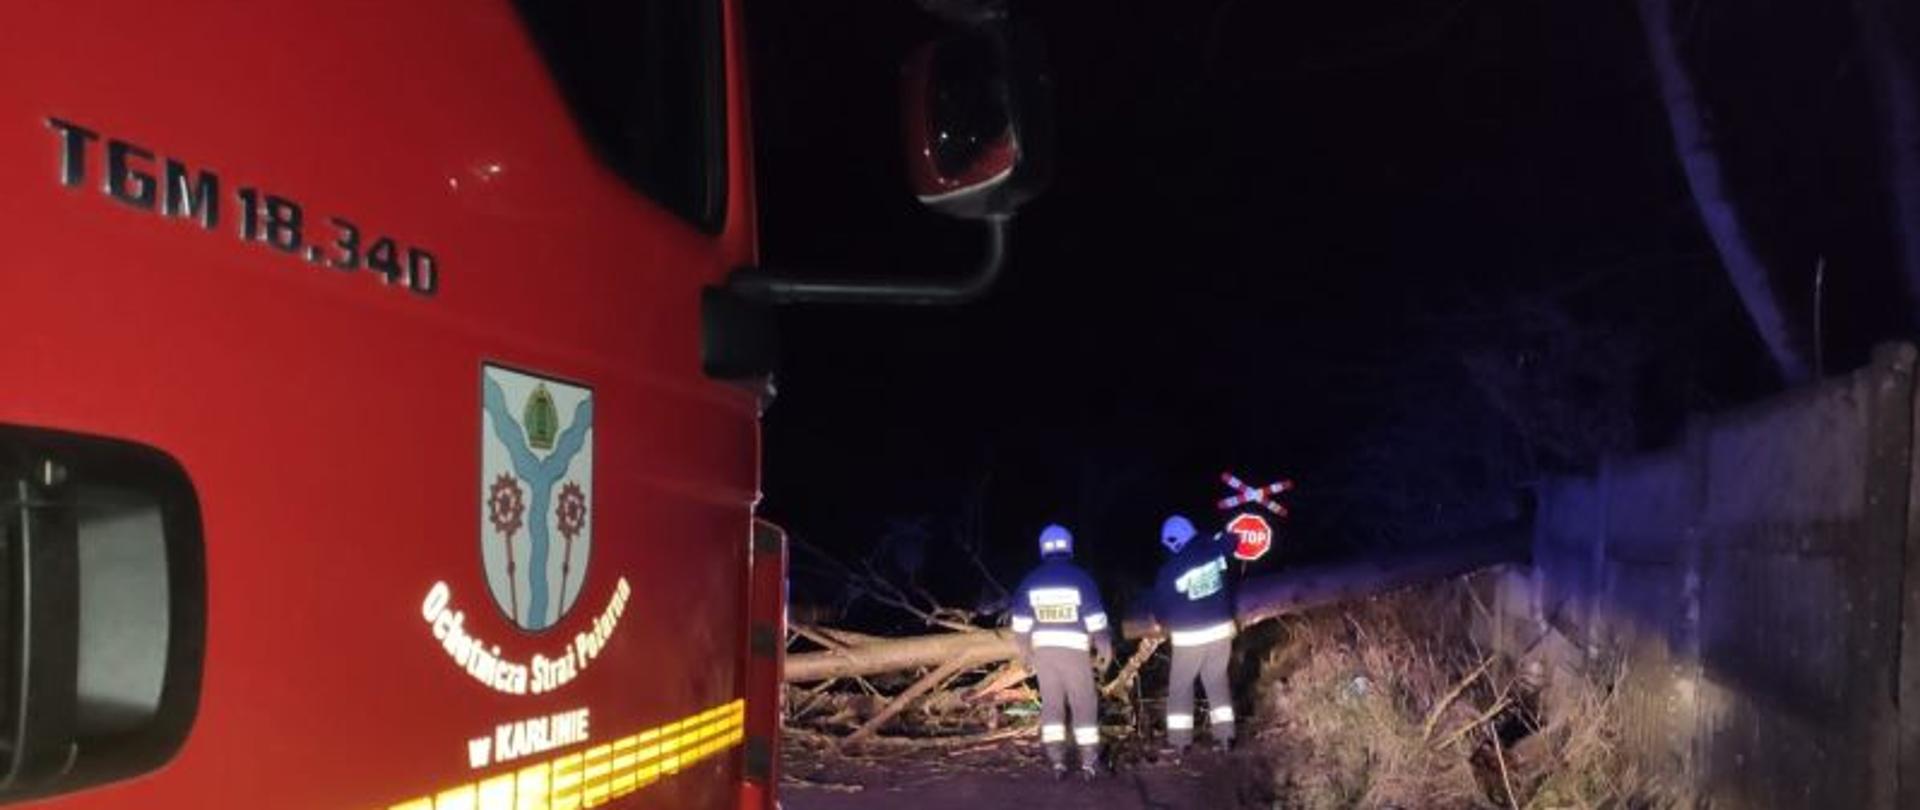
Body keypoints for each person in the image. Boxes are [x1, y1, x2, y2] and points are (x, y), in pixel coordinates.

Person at [1010, 523, 1115, 778]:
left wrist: (1024, 653)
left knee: (1052, 704)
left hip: (1043, 653)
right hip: (1074, 653)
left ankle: (1056, 759)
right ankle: (1088, 761)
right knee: (1083, 703)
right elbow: (1096, 619)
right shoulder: (1081, 579)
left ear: (1042, 548)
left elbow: (1021, 625)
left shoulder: (1030, 581)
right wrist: (1104, 645)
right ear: (1069, 547)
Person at [1151, 514, 1237, 754]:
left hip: (1190, 638)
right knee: (1217, 681)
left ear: (1172, 542)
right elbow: (1233, 540)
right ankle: (1225, 737)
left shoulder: (1170, 571)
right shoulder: (1215, 550)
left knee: (1180, 687)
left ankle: (1180, 742)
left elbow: (1161, 612)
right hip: (1221, 632)